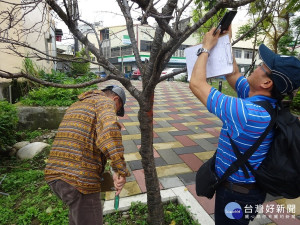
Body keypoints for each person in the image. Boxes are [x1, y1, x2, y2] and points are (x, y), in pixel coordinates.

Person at [190, 27, 300, 224]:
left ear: (267, 83)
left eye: (261, 66)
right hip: (249, 190)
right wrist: (225, 42)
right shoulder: (266, 102)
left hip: (236, 196)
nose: (256, 67)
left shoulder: (247, 113)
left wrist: (206, 48)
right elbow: (232, 74)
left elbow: (197, 84)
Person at [44, 85, 130, 225]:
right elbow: (109, 133)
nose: (115, 111)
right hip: (79, 180)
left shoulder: (78, 104)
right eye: (118, 109)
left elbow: (88, 138)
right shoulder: (105, 102)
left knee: (78, 218)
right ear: (115, 99)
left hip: (56, 175)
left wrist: (112, 171)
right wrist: (120, 169)